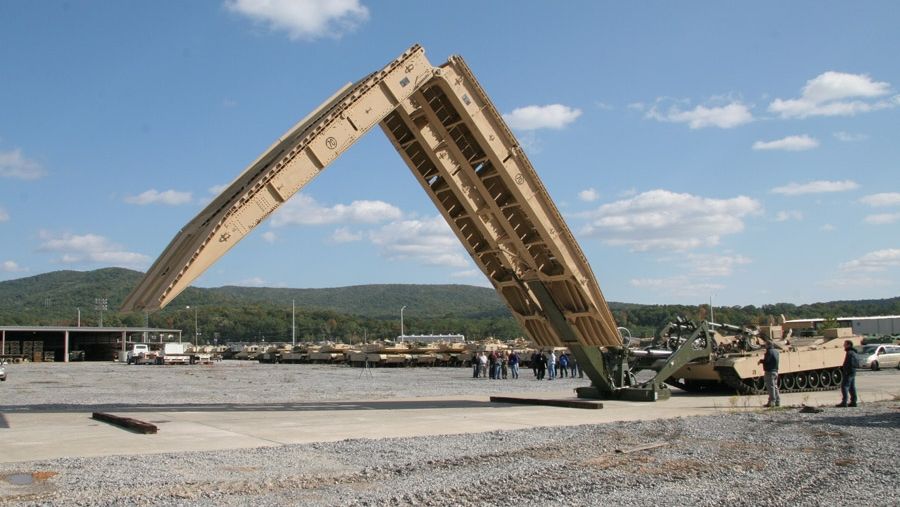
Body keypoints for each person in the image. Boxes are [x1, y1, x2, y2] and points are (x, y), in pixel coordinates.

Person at [837, 340, 859, 407]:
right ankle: (854, 401)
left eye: (845, 344)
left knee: (844, 386)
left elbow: (848, 363)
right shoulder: (854, 352)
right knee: (852, 387)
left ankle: (844, 402)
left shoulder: (849, 353)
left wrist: (845, 371)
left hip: (849, 371)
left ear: (849, 345)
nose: (844, 345)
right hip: (853, 371)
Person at [758, 341, 780, 407]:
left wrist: (761, 361)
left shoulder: (769, 352)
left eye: (766, 345)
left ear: (768, 345)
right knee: (775, 387)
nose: (765, 346)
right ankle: (777, 401)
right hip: (775, 371)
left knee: (770, 387)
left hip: (769, 372)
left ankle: (772, 402)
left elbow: (767, 360)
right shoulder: (776, 351)